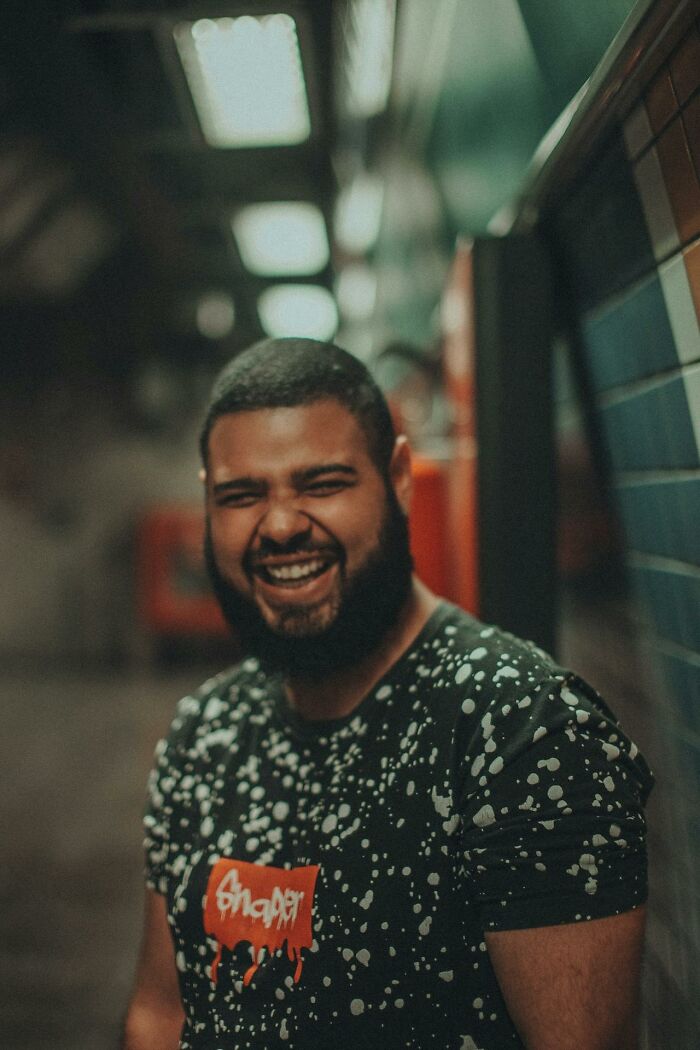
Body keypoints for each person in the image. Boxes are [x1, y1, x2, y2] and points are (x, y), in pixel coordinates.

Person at [123, 337, 653, 1050]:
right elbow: (161, 1015)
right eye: (242, 495)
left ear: (399, 477)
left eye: (322, 483)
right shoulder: (206, 730)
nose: (279, 525)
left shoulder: (522, 730)